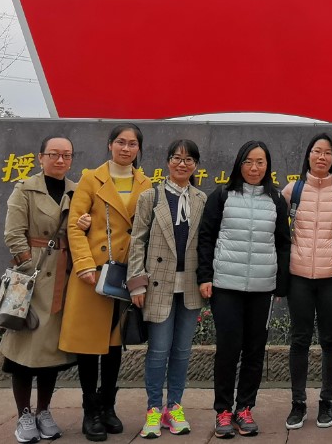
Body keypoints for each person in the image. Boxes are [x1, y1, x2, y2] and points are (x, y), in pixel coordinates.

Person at [61, 124, 152, 442]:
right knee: (89, 347)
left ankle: (108, 406)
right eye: (121, 142)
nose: (126, 149)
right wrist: (85, 265)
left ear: (139, 149)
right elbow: (75, 226)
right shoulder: (91, 179)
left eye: (132, 144)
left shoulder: (146, 183)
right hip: (93, 276)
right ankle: (90, 411)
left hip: (124, 276)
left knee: (114, 346)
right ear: (110, 144)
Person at [197, 140, 292, 438]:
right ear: (239, 164)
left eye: (260, 162)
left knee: (254, 351)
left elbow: (283, 242)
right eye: (248, 161)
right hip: (226, 285)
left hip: (262, 287)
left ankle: (245, 408)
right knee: (228, 349)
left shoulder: (276, 199)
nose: (254, 168)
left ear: (268, 166)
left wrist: (280, 283)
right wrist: (205, 276)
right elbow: (206, 237)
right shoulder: (222, 195)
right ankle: (223, 411)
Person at [0, 135, 79, 443]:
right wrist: (27, 266)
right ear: (41, 157)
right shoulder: (25, 189)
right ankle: (24, 415)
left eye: (66, 155)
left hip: (63, 279)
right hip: (31, 280)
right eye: (54, 154)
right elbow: (13, 233)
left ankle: (44, 410)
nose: (60, 160)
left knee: (50, 353)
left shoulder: (76, 191)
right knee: (23, 351)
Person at [128, 139, 208, 439]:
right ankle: (152, 409)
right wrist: (137, 283)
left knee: (182, 351)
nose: (182, 164)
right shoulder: (151, 196)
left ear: (196, 165)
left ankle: (173, 407)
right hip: (157, 285)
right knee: (159, 350)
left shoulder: (201, 198)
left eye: (189, 160)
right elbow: (137, 241)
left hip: (189, 286)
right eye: (177, 158)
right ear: (168, 161)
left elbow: (206, 242)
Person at [281, 134, 332, 430]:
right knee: (299, 339)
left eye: (327, 153)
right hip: (298, 276)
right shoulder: (292, 190)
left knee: (329, 340)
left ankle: (326, 401)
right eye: (317, 151)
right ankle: (298, 403)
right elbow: (278, 232)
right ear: (308, 155)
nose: (322, 157)